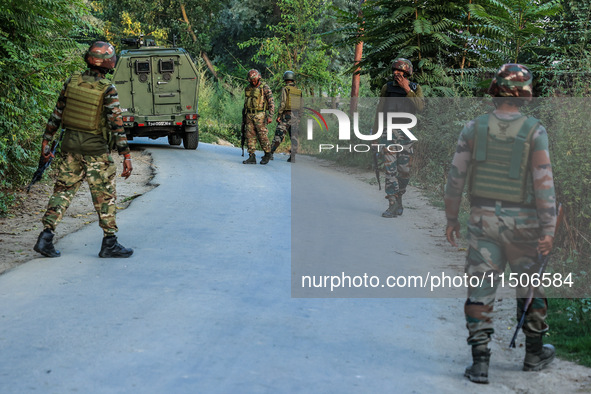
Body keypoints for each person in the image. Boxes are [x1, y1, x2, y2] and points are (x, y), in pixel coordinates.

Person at [444, 63, 557, 384]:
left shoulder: (473, 127)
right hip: (525, 224)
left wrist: (451, 218)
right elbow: (544, 185)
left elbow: (455, 179)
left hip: (483, 221)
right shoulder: (535, 130)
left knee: (480, 288)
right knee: (530, 286)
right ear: (524, 94)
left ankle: (480, 363)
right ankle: (533, 354)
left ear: (495, 90)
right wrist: (548, 230)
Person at [34, 41, 134, 259]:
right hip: (95, 149)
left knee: (62, 191)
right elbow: (117, 124)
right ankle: (110, 242)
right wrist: (126, 155)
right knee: (104, 196)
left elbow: (57, 113)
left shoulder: (72, 81)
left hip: (69, 147)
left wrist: (46, 139)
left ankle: (46, 237)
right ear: (108, 62)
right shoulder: (107, 89)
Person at [372, 58, 424, 218]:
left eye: (399, 71)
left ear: (406, 72)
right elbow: (380, 111)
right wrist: (375, 135)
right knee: (390, 170)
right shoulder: (386, 88)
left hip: (406, 135)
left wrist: (407, 89)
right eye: (394, 70)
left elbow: (421, 107)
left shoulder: (415, 88)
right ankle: (392, 204)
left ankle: (399, 196)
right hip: (388, 134)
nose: (396, 73)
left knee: (404, 171)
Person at [242, 69, 275, 165]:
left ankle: (267, 154)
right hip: (249, 115)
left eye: (254, 79)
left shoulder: (264, 87)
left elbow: (271, 102)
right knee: (249, 136)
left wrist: (270, 116)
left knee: (262, 136)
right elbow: (246, 102)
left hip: (260, 114)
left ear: (258, 77)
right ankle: (251, 156)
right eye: (251, 79)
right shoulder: (248, 88)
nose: (252, 81)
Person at [270, 70, 302, 163]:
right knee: (294, 137)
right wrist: (299, 117)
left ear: (285, 78)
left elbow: (283, 103)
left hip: (286, 115)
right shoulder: (298, 91)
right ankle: (293, 157)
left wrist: (279, 114)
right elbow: (301, 105)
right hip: (295, 116)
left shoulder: (285, 89)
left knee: (279, 134)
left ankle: (270, 153)